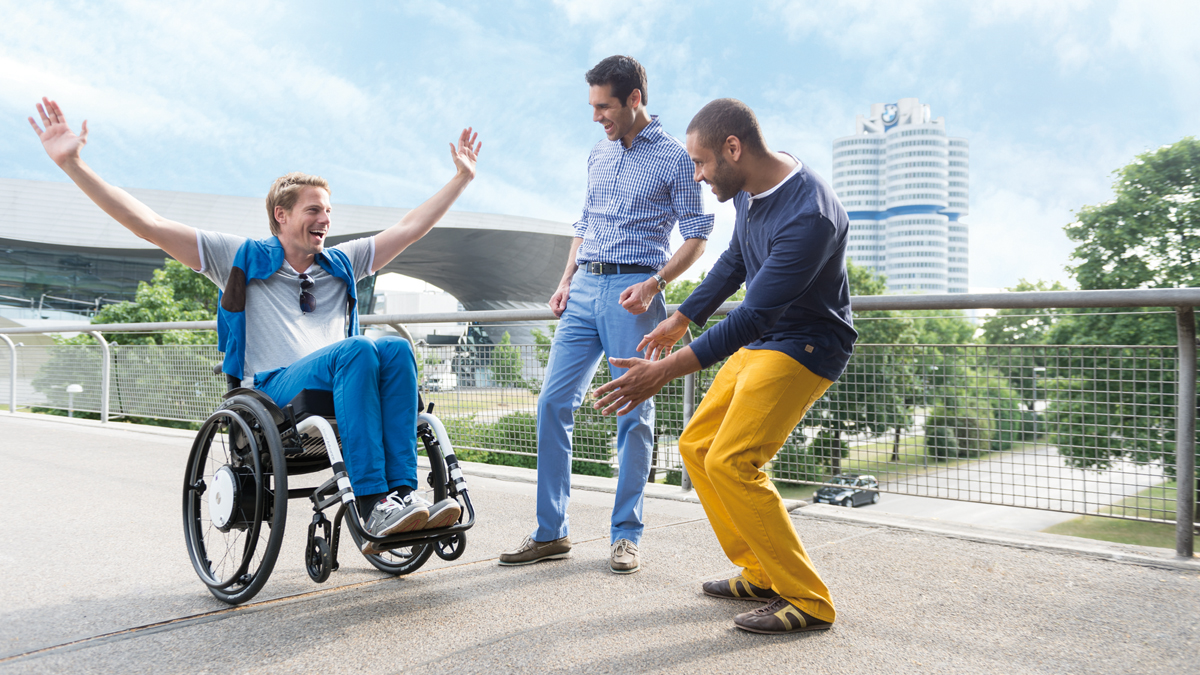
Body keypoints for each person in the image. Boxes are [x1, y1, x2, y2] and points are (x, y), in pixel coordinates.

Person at [28, 97, 481, 555]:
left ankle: (401, 493)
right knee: (360, 349)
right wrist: (73, 164)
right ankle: (371, 502)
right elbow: (149, 224)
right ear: (281, 216)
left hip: (341, 382)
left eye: (327, 212)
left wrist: (460, 179)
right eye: (313, 210)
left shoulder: (340, 263)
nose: (325, 219)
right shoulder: (239, 258)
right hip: (272, 391)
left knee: (396, 350)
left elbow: (410, 227)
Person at [592, 98, 857, 633]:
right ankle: (759, 572)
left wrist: (663, 372)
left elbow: (755, 316)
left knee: (733, 461)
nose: (697, 176)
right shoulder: (756, 186)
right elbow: (736, 259)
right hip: (768, 341)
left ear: (732, 149)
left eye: (701, 163)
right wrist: (684, 316)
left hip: (806, 344)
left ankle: (807, 599)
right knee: (697, 446)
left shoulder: (810, 216)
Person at [498, 56, 712, 574]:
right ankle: (551, 532)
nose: (596, 116)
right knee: (552, 403)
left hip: (633, 291)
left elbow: (698, 234)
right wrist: (566, 280)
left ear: (634, 98)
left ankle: (625, 535)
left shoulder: (675, 158)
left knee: (632, 415)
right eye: (593, 106)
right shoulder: (597, 153)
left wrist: (657, 283)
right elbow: (585, 221)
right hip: (585, 286)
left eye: (604, 106)